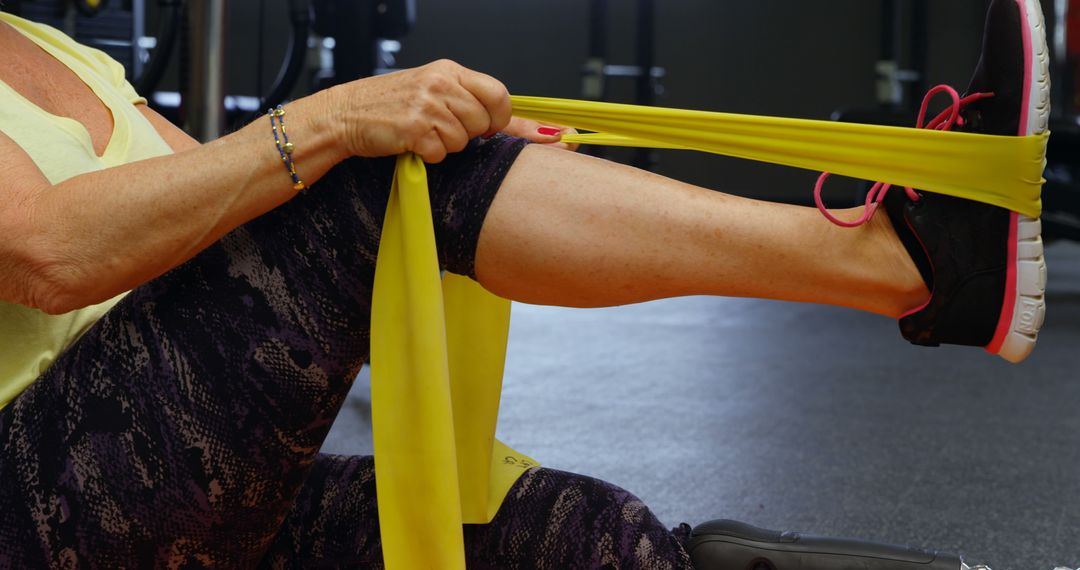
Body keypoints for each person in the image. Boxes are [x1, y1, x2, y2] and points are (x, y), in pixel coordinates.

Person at [0, 0, 1047, 567]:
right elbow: (46, 252)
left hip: (163, 485)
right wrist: (340, 123)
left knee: (578, 537)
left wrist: (451, 168)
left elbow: (234, 231)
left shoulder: (53, 50)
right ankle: (913, 267)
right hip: (32, 508)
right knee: (361, 167)